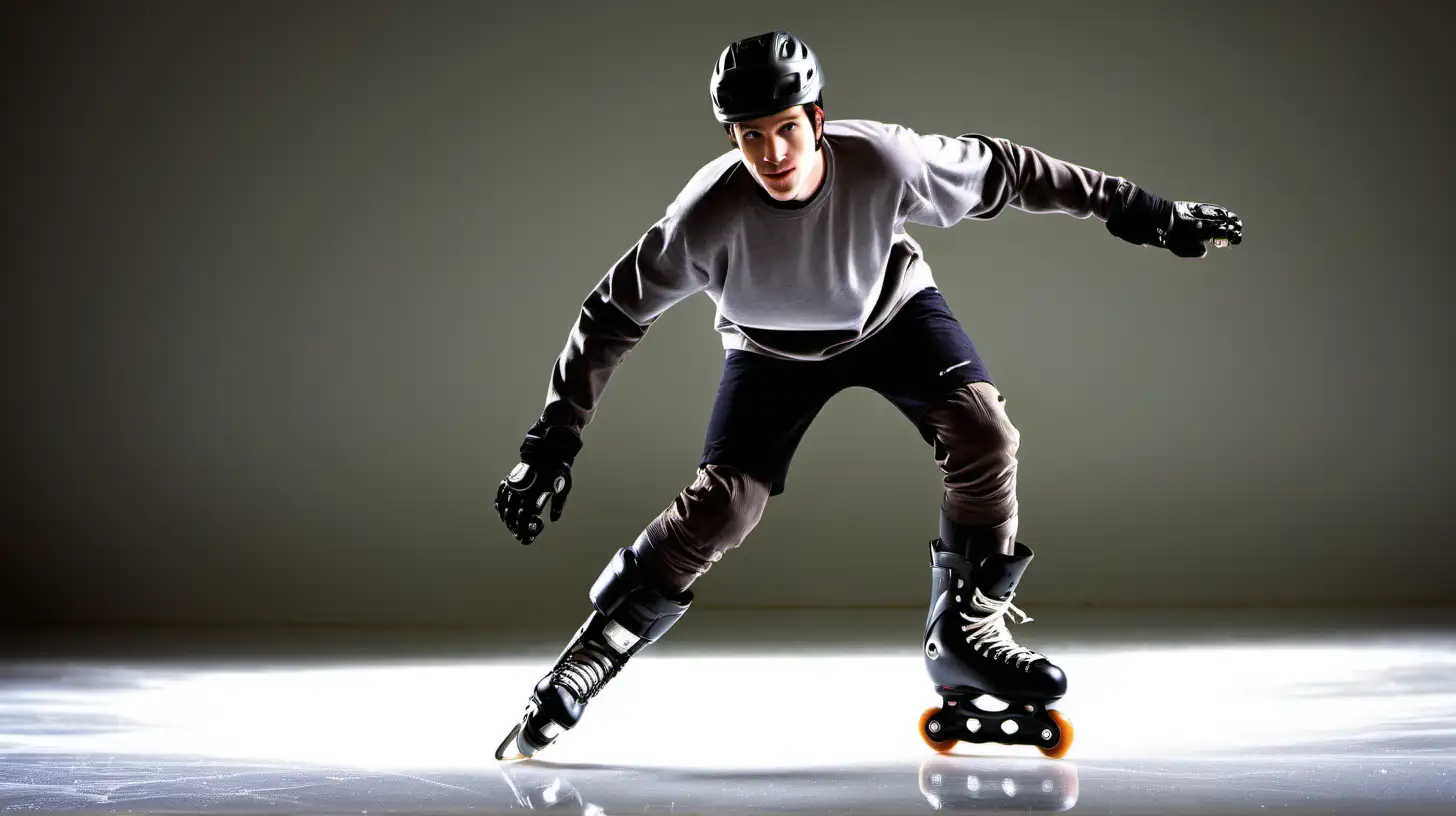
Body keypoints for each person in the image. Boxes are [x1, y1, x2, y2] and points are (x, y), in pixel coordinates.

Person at [492, 29, 1243, 761]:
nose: (773, 155)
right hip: (769, 348)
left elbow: (1011, 170)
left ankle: (968, 628)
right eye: (750, 137)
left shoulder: (884, 160)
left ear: (817, 120)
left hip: (892, 315)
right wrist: (552, 443)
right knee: (724, 507)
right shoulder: (704, 216)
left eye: (787, 130)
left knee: (985, 433)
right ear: (732, 140)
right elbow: (611, 315)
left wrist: (1147, 212)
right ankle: (593, 654)